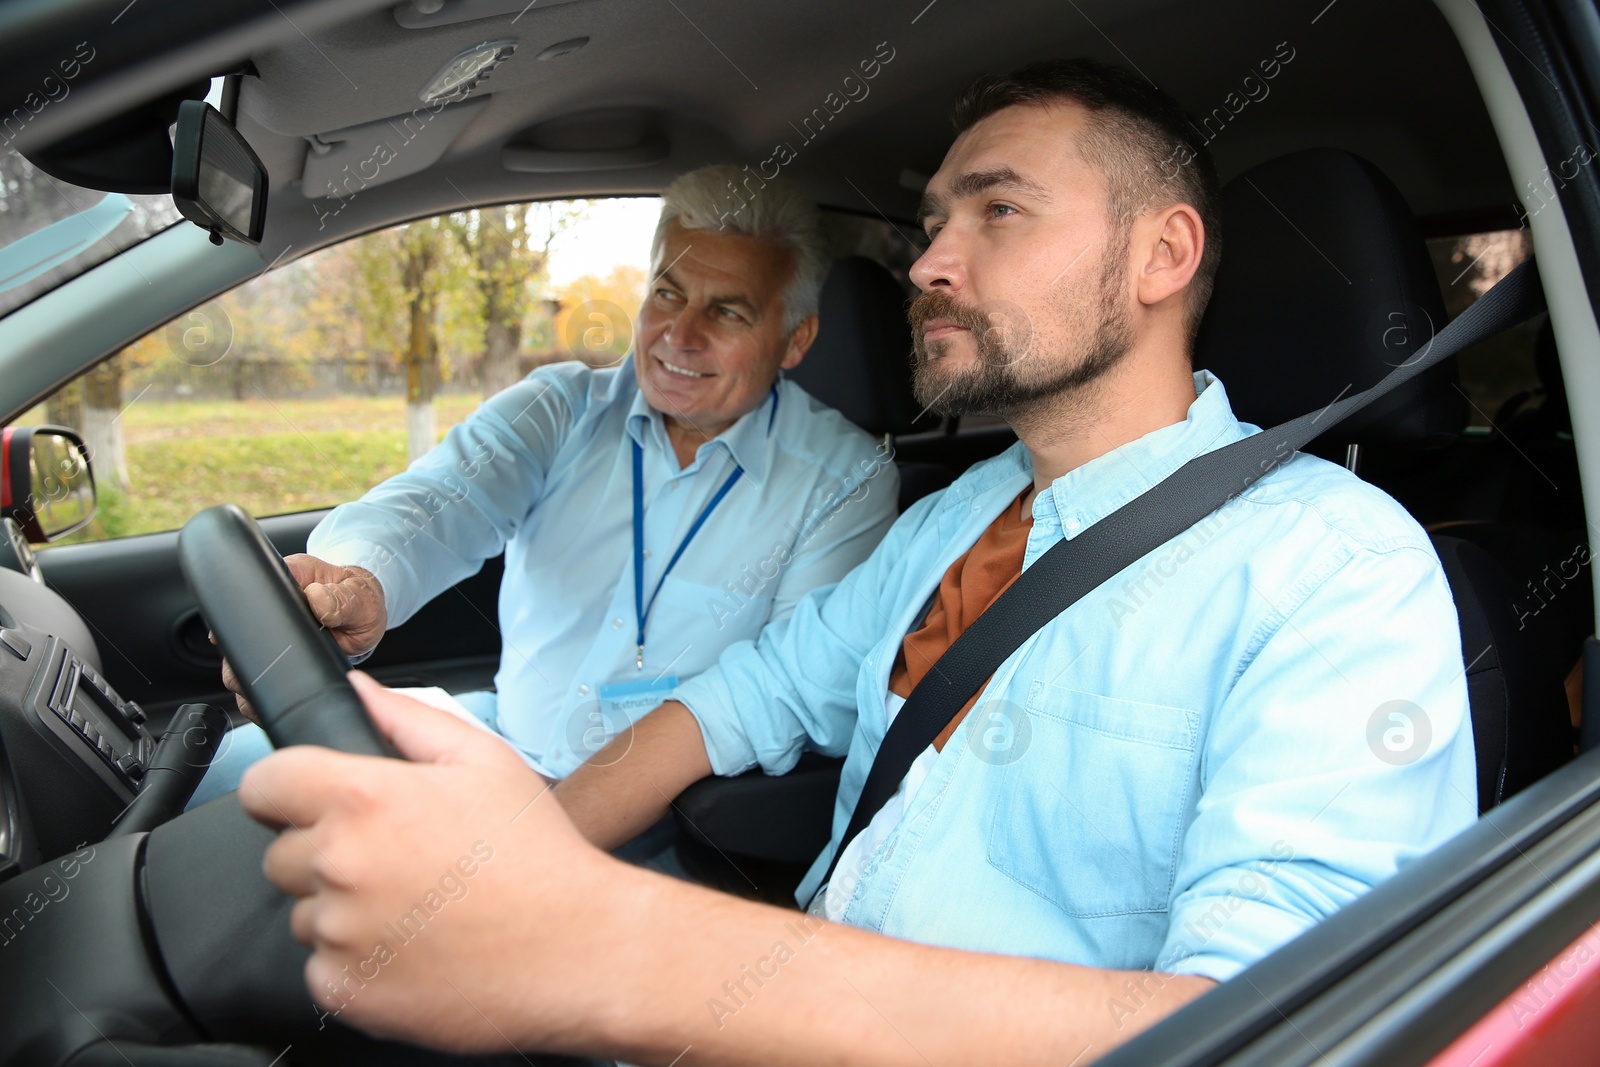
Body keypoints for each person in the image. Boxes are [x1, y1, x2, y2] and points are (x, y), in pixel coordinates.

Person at [240, 59, 1477, 1063]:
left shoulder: (1337, 570)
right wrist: (520, 866)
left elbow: (1272, 1028)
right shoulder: (950, 522)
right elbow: (747, 692)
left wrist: (605, 944)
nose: (931, 260)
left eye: (997, 210)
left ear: (1160, 258)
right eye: (935, 221)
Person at [194, 165, 899, 805]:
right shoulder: (561, 406)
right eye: (667, 293)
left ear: (796, 339)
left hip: (665, 814)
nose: (678, 334)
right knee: (231, 771)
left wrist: (559, 817)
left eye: (727, 311)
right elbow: (443, 499)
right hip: (500, 740)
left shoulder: (846, 478)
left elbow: (786, 693)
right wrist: (360, 579)